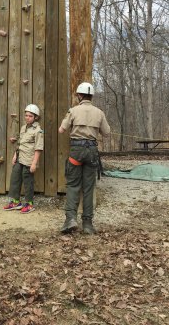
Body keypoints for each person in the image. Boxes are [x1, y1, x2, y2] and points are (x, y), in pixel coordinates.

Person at [58, 82, 110, 234]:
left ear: (79, 95)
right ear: (91, 96)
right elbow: (107, 133)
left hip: (76, 151)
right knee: (88, 188)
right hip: (92, 152)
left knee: (73, 185)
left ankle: (71, 219)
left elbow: (61, 130)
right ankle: (87, 224)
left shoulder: (73, 111)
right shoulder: (99, 113)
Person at [3, 104, 44, 214]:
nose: (27, 117)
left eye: (30, 116)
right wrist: (15, 156)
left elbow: (38, 148)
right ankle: (16, 202)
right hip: (19, 158)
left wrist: (34, 163)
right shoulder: (23, 128)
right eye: (26, 115)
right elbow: (20, 143)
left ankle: (29, 204)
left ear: (36, 117)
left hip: (29, 161)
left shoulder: (38, 131)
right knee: (15, 179)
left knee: (28, 183)